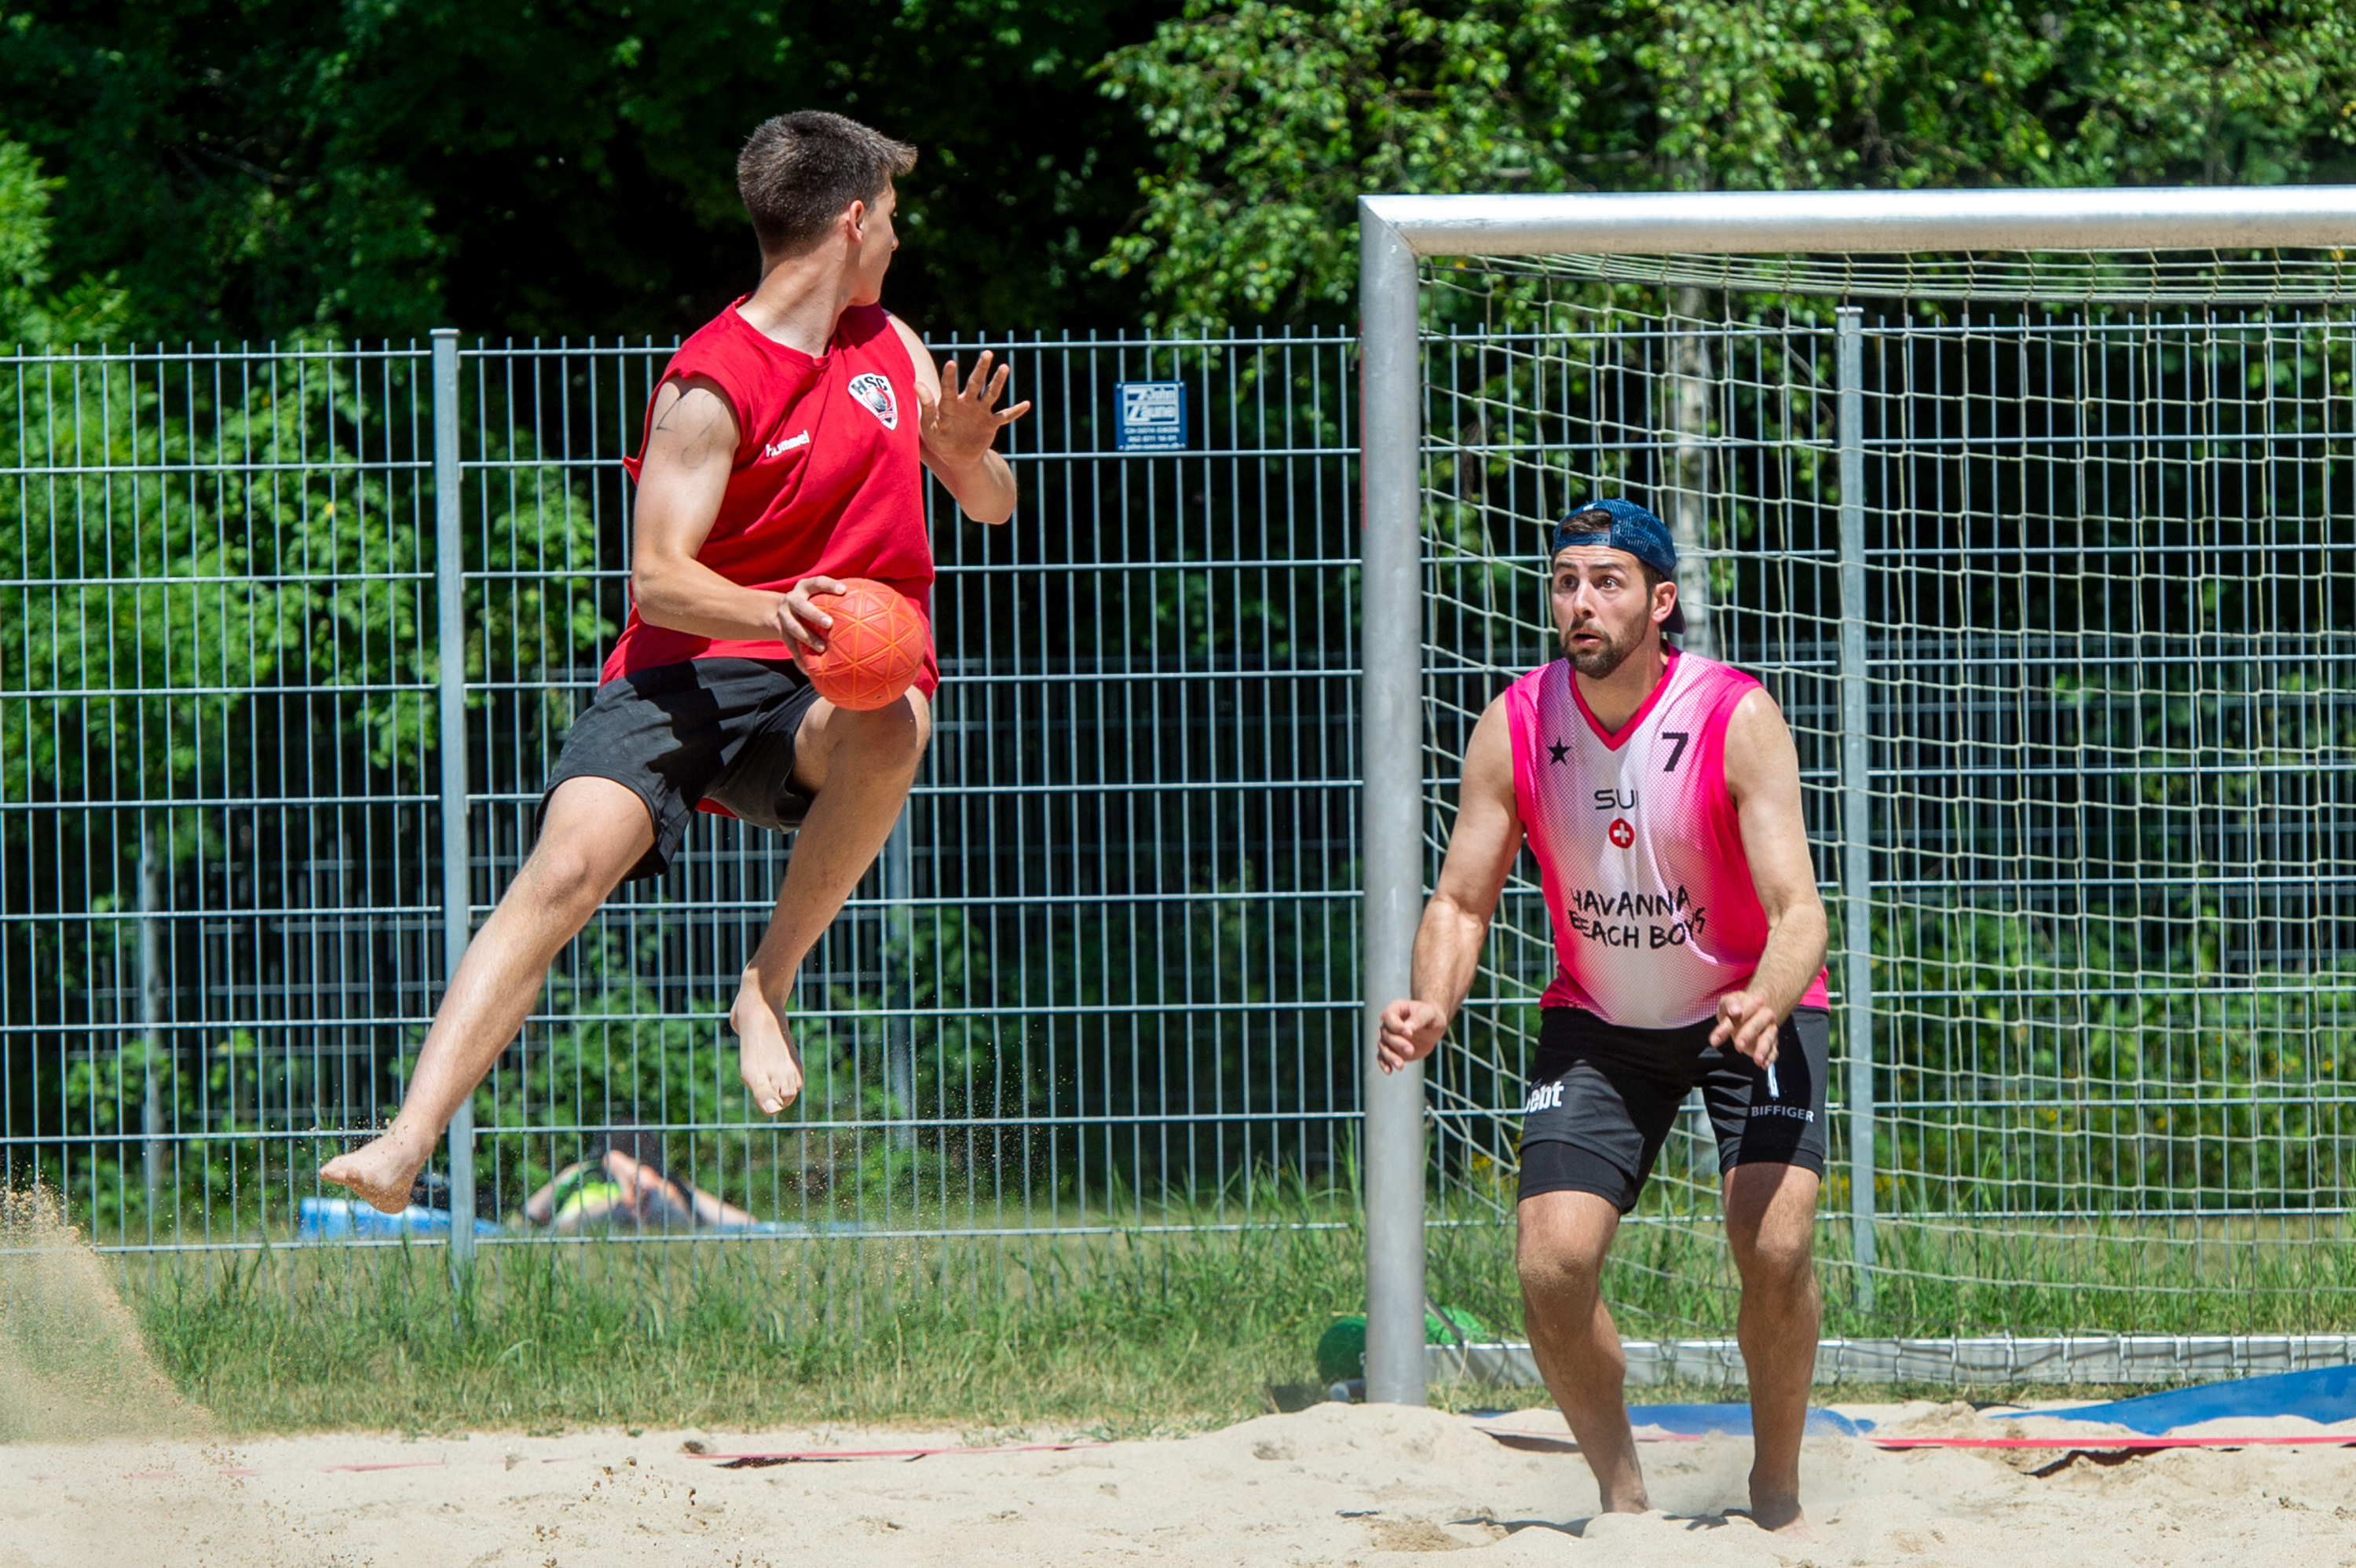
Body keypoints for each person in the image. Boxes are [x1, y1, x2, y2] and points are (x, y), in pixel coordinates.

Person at [323, 111, 1029, 1212]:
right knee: (561, 873)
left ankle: (765, 983)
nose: (897, 236)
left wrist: (965, 461)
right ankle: (405, 1142)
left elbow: (989, 510)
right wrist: (772, 607)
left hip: (826, 679)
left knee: (893, 716)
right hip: (689, 663)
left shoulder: (894, 348)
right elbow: (658, 577)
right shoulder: (709, 382)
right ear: (851, 220)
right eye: (890, 216)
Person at [1376, 498, 1830, 1537]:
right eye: (1567, 579)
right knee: (1552, 1263)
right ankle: (1625, 1499)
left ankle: (1776, 1487)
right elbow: (1459, 900)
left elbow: (1801, 910)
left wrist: (1768, 994)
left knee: (1773, 1243)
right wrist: (1435, 1001)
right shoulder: (1521, 719)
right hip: (1603, 1018)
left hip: (1746, 1008)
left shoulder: (1734, 714)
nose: (1581, 600)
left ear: (1661, 602)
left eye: (1608, 580)